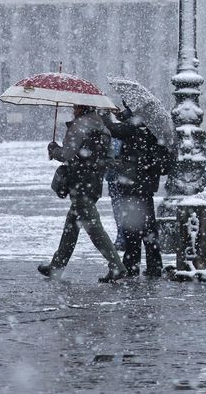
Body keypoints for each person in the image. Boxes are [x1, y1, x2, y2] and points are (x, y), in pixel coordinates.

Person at [40, 105, 128, 282]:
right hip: (93, 183)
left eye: (75, 106)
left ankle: (117, 266)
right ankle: (56, 266)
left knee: (94, 229)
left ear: (81, 108)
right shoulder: (102, 126)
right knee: (71, 228)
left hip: (79, 183)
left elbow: (66, 154)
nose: (73, 109)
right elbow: (107, 158)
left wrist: (54, 149)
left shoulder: (79, 126)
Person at [103, 107, 168, 278]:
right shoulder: (150, 124)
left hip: (133, 183)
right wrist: (124, 116)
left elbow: (114, 130)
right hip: (146, 183)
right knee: (148, 227)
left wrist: (104, 116)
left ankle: (131, 265)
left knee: (131, 227)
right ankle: (154, 265)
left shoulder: (135, 126)